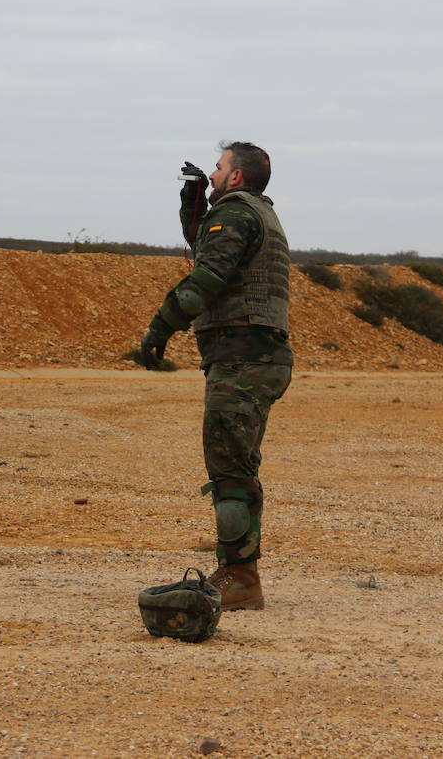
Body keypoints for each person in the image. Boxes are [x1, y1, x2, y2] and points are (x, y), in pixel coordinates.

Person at [140, 141, 293, 610]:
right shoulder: (247, 213)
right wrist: (195, 204)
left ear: (237, 177)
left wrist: (161, 326)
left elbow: (208, 274)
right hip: (252, 356)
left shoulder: (238, 214)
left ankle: (241, 578)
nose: (213, 171)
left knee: (229, 471)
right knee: (237, 466)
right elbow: (210, 244)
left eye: (219, 167)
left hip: (243, 358)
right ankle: (238, 570)